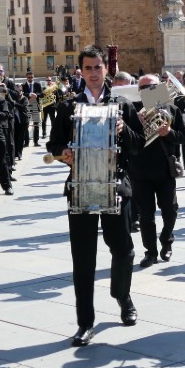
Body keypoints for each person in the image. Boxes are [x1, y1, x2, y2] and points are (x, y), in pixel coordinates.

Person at [46, 46, 139, 346]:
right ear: (81, 72)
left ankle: (122, 295)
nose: (94, 73)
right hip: (81, 187)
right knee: (83, 258)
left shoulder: (123, 104)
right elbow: (53, 144)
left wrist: (125, 132)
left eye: (98, 67)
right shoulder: (68, 107)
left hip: (116, 186)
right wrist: (65, 154)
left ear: (105, 69)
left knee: (123, 248)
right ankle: (85, 322)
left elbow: (139, 146)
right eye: (88, 69)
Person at [129, 74, 185, 267]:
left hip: (164, 170)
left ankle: (166, 241)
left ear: (160, 88)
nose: (149, 91)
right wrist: (136, 125)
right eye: (144, 88)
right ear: (139, 91)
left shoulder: (172, 109)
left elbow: (183, 137)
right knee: (146, 215)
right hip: (140, 171)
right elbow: (127, 142)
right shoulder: (132, 111)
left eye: (153, 87)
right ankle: (150, 252)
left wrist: (169, 133)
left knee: (170, 211)